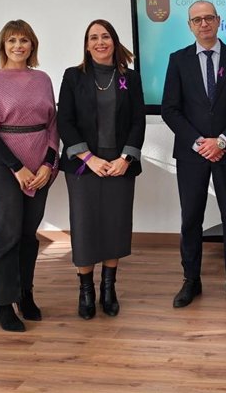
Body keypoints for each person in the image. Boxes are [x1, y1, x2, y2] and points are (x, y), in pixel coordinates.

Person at [0, 19, 59, 332]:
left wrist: (47, 164)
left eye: (24, 40)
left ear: (33, 45)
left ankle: (25, 294)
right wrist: (17, 168)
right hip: (4, 166)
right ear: (3, 46)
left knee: (27, 235)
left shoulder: (43, 79)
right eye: (12, 41)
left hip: (40, 166)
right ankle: (2, 303)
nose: (18, 46)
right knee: (7, 235)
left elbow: (52, 126)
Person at [162, 0, 226, 308]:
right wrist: (201, 142)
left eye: (209, 18)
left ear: (219, 21)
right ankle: (191, 280)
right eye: (197, 19)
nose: (204, 24)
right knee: (191, 219)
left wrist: (223, 141)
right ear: (189, 25)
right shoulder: (177, 60)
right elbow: (170, 109)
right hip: (192, 154)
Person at [57, 19, 146, 320]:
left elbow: (138, 121)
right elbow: (64, 121)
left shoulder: (129, 78)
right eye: (93, 37)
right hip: (84, 165)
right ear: (86, 44)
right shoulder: (73, 77)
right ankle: (86, 290)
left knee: (115, 224)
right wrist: (87, 158)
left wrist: (126, 159)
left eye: (105, 36)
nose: (100, 42)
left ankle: (109, 288)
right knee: (84, 226)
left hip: (119, 163)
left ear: (114, 41)